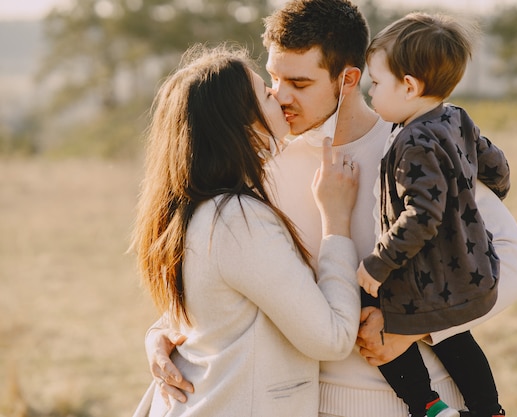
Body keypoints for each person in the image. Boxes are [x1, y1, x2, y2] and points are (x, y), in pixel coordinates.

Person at [143, 1, 517, 416]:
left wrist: (410, 326)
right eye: (274, 78)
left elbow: (515, 264)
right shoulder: (267, 165)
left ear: (348, 79)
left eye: (299, 82)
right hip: (313, 404)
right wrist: (164, 331)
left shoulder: (417, 146)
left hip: (426, 403)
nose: (280, 95)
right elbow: (237, 276)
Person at [129, 43, 363, 417]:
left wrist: (156, 335)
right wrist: (336, 222)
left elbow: (217, 307)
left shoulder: (192, 208)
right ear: (242, 126)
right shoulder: (236, 218)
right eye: (266, 93)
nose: (279, 96)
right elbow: (331, 339)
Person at [356, 12, 509, 417]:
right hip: (468, 272)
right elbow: (496, 165)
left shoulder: (412, 141)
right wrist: (488, 194)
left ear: (408, 86)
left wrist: (378, 262)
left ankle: (426, 406)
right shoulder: (457, 118)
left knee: (370, 308)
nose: (371, 93)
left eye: (376, 83)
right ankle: (487, 409)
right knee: (456, 337)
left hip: (426, 276)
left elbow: (422, 215)